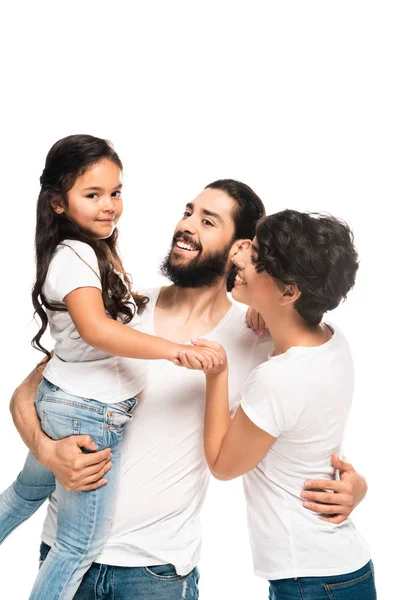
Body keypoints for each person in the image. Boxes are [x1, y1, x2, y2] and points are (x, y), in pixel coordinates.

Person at [7, 182, 368, 599]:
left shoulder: (260, 338)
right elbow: (27, 391)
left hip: (155, 572)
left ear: (243, 248)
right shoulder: (120, 310)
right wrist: (46, 450)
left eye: (208, 221)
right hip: (65, 553)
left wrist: (353, 483)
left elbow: (309, 395)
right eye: (188, 211)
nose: (186, 225)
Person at [0, 134, 220, 600]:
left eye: (116, 192)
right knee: (78, 546)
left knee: (24, 493)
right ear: (58, 203)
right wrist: (172, 349)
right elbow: (98, 330)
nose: (109, 206)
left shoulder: (89, 251)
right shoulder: (76, 255)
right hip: (86, 414)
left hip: (65, 401)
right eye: (93, 194)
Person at [195, 209, 376, 598]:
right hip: (338, 568)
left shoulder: (279, 378)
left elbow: (223, 465)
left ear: (289, 292)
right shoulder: (332, 338)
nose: (239, 257)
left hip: (310, 580)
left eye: (255, 258)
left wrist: (217, 374)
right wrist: (264, 307)